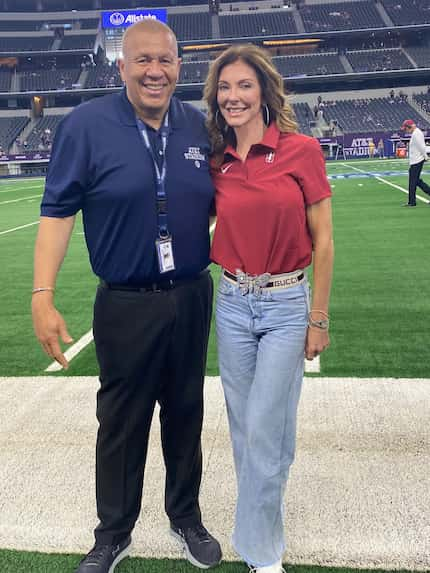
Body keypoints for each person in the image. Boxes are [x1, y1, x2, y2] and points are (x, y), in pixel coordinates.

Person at [31, 19, 222, 573]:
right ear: (122, 66)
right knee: (120, 421)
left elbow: (220, 200)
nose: (154, 71)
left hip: (190, 293)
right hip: (124, 300)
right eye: (142, 60)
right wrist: (42, 293)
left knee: (185, 411)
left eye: (164, 60)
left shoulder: (198, 125)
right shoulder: (86, 126)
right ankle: (113, 532)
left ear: (179, 65)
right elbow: (57, 212)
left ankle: (184, 516)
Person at [203, 45, 334, 573]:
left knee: (267, 427)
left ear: (263, 93)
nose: (233, 97)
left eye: (244, 86)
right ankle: (264, 537)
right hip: (232, 302)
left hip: (285, 304)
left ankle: (260, 552)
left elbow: (323, 239)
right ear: (216, 98)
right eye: (225, 88)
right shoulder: (217, 161)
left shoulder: (301, 150)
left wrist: (318, 317)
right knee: (246, 431)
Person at [400, 119, 430, 207]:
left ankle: (412, 202)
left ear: (409, 127)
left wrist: (425, 157)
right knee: (417, 181)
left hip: (417, 161)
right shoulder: (416, 133)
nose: (406, 131)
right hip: (416, 161)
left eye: (406, 129)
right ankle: (412, 201)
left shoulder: (417, 134)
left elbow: (422, 147)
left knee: (412, 182)